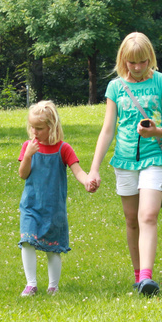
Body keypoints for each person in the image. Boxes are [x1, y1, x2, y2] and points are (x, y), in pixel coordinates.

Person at [89, 32, 162, 297]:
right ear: (123, 60)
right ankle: (138, 275)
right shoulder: (115, 88)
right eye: (132, 62)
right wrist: (94, 168)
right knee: (131, 221)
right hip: (124, 161)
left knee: (148, 216)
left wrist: (155, 132)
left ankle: (148, 278)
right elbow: (107, 130)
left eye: (142, 62)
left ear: (150, 58)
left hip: (154, 158)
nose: (137, 68)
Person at [18, 100, 99, 297]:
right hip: (31, 206)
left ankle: (53, 286)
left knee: (53, 248)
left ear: (51, 127)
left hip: (54, 209)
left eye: (39, 128)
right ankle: (31, 284)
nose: (34, 132)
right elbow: (23, 174)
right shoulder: (28, 147)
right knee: (27, 241)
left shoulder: (63, 149)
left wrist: (88, 181)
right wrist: (28, 156)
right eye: (32, 127)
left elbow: (78, 171)